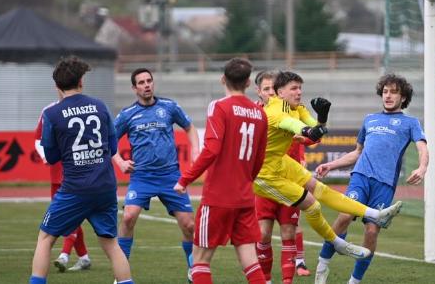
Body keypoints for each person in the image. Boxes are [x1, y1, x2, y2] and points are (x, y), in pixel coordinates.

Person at [253, 70, 404, 264]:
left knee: (321, 189)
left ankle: (376, 215)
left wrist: (322, 117)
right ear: (280, 92)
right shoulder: (275, 112)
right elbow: (301, 129)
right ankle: (337, 243)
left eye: (300, 88)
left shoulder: (297, 107)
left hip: (280, 161)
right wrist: (313, 129)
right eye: (294, 89)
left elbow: (317, 130)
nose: (299, 92)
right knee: (312, 205)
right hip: (264, 173)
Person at [312, 73, 428, 284]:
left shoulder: (410, 123)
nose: (388, 96)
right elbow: (357, 152)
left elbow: (422, 147)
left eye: (394, 92)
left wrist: (422, 167)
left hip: (384, 184)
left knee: (372, 232)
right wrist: (332, 164)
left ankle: (354, 281)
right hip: (361, 176)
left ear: (403, 97)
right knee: (345, 216)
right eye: (385, 92)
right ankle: (322, 264)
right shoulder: (369, 119)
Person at [29, 56, 133, 284]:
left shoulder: (52, 114)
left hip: (75, 188)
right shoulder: (100, 106)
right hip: (105, 186)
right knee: (111, 244)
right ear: (81, 81)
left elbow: (51, 156)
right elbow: (112, 147)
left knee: (45, 238)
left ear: (57, 86)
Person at [173, 58, 268, 284]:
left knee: (200, 260)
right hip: (244, 197)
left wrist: (185, 179)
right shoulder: (260, 114)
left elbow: (211, 149)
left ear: (222, 79)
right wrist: (245, 181)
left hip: (218, 197)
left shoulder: (218, 106)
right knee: (251, 261)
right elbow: (259, 158)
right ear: (248, 83)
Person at [113, 68, 200, 282]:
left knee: (189, 225)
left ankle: (193, 269)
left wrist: (196, 151)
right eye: (141, 82)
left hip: (170, 176)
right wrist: (120, 162)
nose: (146, 85)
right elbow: (109, 141)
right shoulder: (127, 114)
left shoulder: (169, 107)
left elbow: (189, 127)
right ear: (134, 88)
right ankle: (121, 274)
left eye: (149, 81)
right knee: (128, 217)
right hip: (142, 177)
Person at [253, 71, 313, 283]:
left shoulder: (292, 110)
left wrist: (305, 143)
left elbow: (310, 136)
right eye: (266, 89)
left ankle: (293, 272)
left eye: (273, 88)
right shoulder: (255, 114)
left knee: (289, 230)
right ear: (258, 92)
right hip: (265, 179)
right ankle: (266, 279)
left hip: (290, 177)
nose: (271, 93)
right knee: (263, 232)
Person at [33, 94, 92, 272]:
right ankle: (84, 257)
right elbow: (38, 139)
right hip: (57, 172)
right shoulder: (49, 111)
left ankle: (65, 254)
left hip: (77, 171)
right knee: (67, 215)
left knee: (71, 214)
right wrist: (45, 156)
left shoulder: (87, 108)